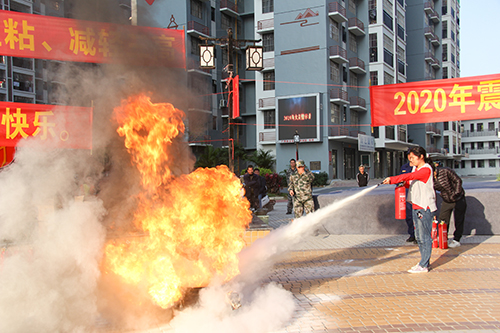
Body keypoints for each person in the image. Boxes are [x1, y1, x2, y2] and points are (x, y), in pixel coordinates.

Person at [382, 146, 437, 273]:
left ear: (421, 156)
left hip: (424, 207)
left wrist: (393, 179)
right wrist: (402, 183)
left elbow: (410, 177)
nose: (410, 161)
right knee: (419, 236)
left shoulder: (426, 169)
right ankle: (423, 263)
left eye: (412, 158)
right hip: (416, 206)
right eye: (409, 158)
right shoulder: (416, 169)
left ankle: (424, 265)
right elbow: (411, 182)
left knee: (424, 237)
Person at [433, 164, 467, 248]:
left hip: (458, 198)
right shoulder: (430, 179)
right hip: (446, 200)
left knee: (459, 219)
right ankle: (444, 238)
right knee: (443, 219)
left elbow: (458, 181)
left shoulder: (445, 171)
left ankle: (456, 239)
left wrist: (455, 194)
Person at [400, 161, 416, 243]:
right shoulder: (404, 167)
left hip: (417, 194)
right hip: (406, 194)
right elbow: (400, 178)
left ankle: (418, 236)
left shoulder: (419, 167)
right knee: (409, 216)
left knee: (418, 215)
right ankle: (412, 234)